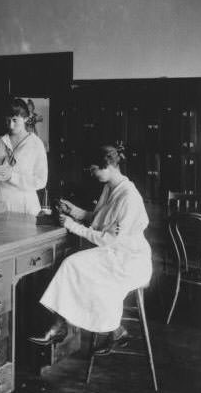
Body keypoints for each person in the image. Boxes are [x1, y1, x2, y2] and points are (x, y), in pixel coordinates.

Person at [29, 145, 152, 354]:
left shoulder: (129, 196)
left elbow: (108, 239)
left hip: (129, 259)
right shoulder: (110, 187)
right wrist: (74, 212)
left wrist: (72, 226)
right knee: (73, 264)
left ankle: (64, 326)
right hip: (113, 252)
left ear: (106, 167)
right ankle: (103, 329)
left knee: (72, 264)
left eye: (93, 169)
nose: (92, 174)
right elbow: (99, 220)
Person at [0, 98, 48, 215]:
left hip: (26, 204)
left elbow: (41, 181)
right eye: (8, 120)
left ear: (26, 118)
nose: (11, 125)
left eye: (15, 120)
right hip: (1, 200)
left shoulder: (36, 144)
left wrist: (12, 176)